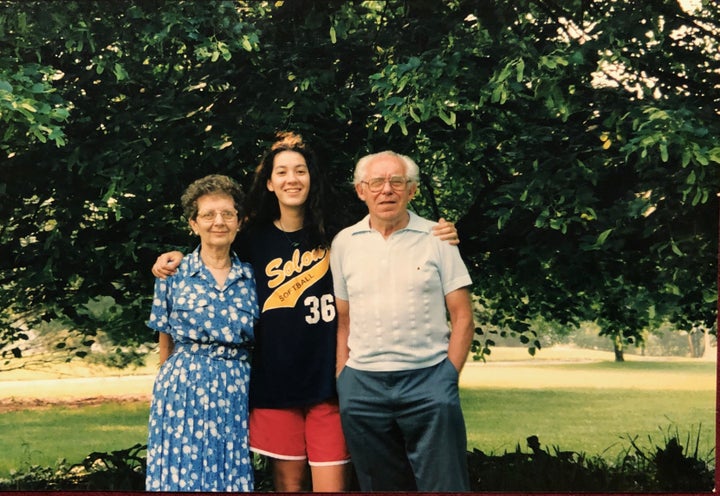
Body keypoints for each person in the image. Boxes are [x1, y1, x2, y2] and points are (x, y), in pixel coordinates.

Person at [151, 132, 460, 492]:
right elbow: (214, 249)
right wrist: (174, 259)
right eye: (281, 172)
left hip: (329, 382)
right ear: (268, 182)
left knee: (332, 487)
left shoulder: (342, 233)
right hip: (274, 385)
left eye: (299, 170)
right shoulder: (252, 240)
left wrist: (441, 231)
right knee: (289, 486)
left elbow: (390, 230)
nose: (291, 179)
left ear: (312, 177)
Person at [330, 150, 475, 492]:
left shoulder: (438, 239)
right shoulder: (343, 244)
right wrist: (343, 380)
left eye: (397, 182)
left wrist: (446, 378)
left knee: (445, 485)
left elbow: (463, 316)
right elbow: (344, 321)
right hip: (362, 385)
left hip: (428, 380)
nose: (387, 190)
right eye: (376, 182)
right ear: (360, 190)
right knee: (380, 486)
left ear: (412, 191)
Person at [146, 174, 259, 492]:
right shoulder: (173, 273)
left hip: (236, 388)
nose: (218, 222)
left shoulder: (253, 277)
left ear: (239, 221)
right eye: (208, 215)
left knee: (230, 470)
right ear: (194, 224)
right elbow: (164, 337)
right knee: (182, 473)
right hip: (183, 389)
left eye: (227, 214)